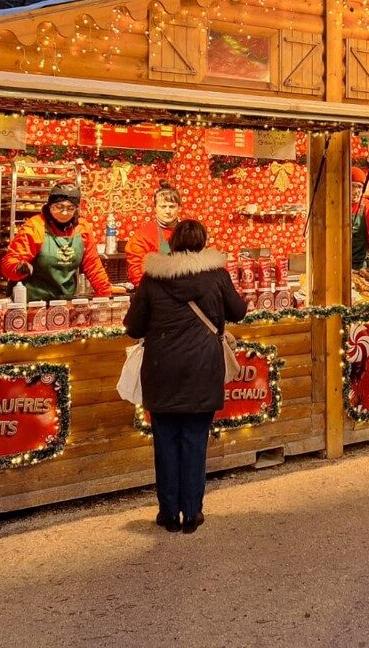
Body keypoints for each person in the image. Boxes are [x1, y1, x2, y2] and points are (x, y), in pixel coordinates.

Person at [124, 219, 247, 534]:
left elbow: (133, 326)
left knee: (165, 441)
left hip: (161, 370)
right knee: (194, 441)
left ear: (172, 243)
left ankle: (167, 512)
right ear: (204, 243)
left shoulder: (153, 278)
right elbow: (238, 310)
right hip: (202, 369)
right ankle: (191, 513)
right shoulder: (216, 275)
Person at [1, 181, 113, 301]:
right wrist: (19, 268)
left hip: (65, 301)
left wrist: (105, 293)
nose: (64, 212)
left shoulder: (83, 228)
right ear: (50, 205)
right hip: (31, 301)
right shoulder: (35, 227)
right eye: (59, 207)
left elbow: (93, 265)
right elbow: (8, 264)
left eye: (70, 208)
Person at [126, 183, 183, 285]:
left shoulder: (187, 232)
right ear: (155, 208)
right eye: (163, 206)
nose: (168, 211)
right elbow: (136, 272)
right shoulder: (143, 235)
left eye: (172, 206)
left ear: (179, 208)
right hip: (155, 292)